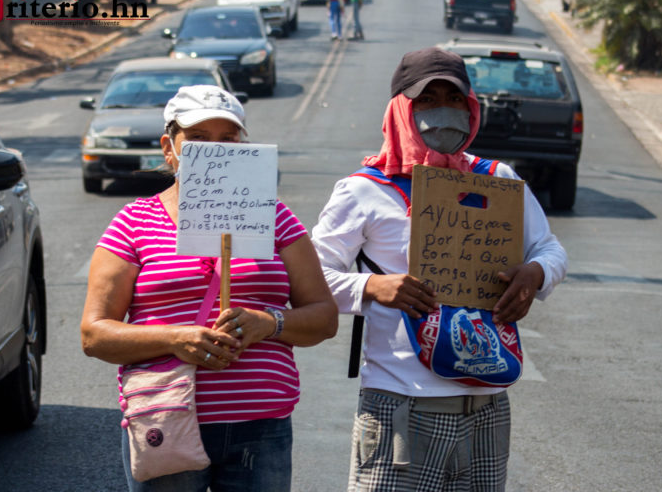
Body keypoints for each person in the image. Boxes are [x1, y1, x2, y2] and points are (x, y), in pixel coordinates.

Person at [311, 47, 567, 491]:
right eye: (427, 100)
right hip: (401, 406)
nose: (442, 111)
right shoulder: (363, 191)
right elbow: (312, 281)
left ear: (471, 108)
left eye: (453, 99)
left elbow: (549, 246)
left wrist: (537, 274)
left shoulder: (498, 180)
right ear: (400, 109)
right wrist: (372, 286)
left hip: (487, 407)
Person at [80, 84, 339, 492]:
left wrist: (266, 322)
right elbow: (94, 334)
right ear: (170, 147)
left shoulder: (277, 218)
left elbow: (324, 318)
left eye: (227, 140)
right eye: (198, 140)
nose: (215, 151)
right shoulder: (134, 223)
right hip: (166, 419)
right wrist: (175, 338)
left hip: (261, 426)